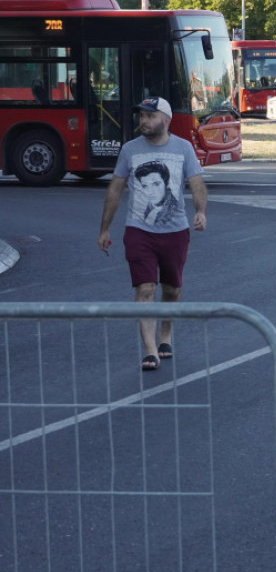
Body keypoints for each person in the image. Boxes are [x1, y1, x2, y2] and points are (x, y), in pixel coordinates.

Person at [97, 96, 208, 372]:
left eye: (150, 116)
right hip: (138, 231)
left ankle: (165, 336)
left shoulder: (183, 148)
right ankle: (149, 350)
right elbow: (115, 189)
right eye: (142, 116)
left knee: (172, 288)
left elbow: (196, 183)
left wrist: (200, 211)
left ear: (166, 120)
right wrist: (105, 228)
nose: (143, 121)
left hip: (175, 231)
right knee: (145, 288)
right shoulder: (130, 150)